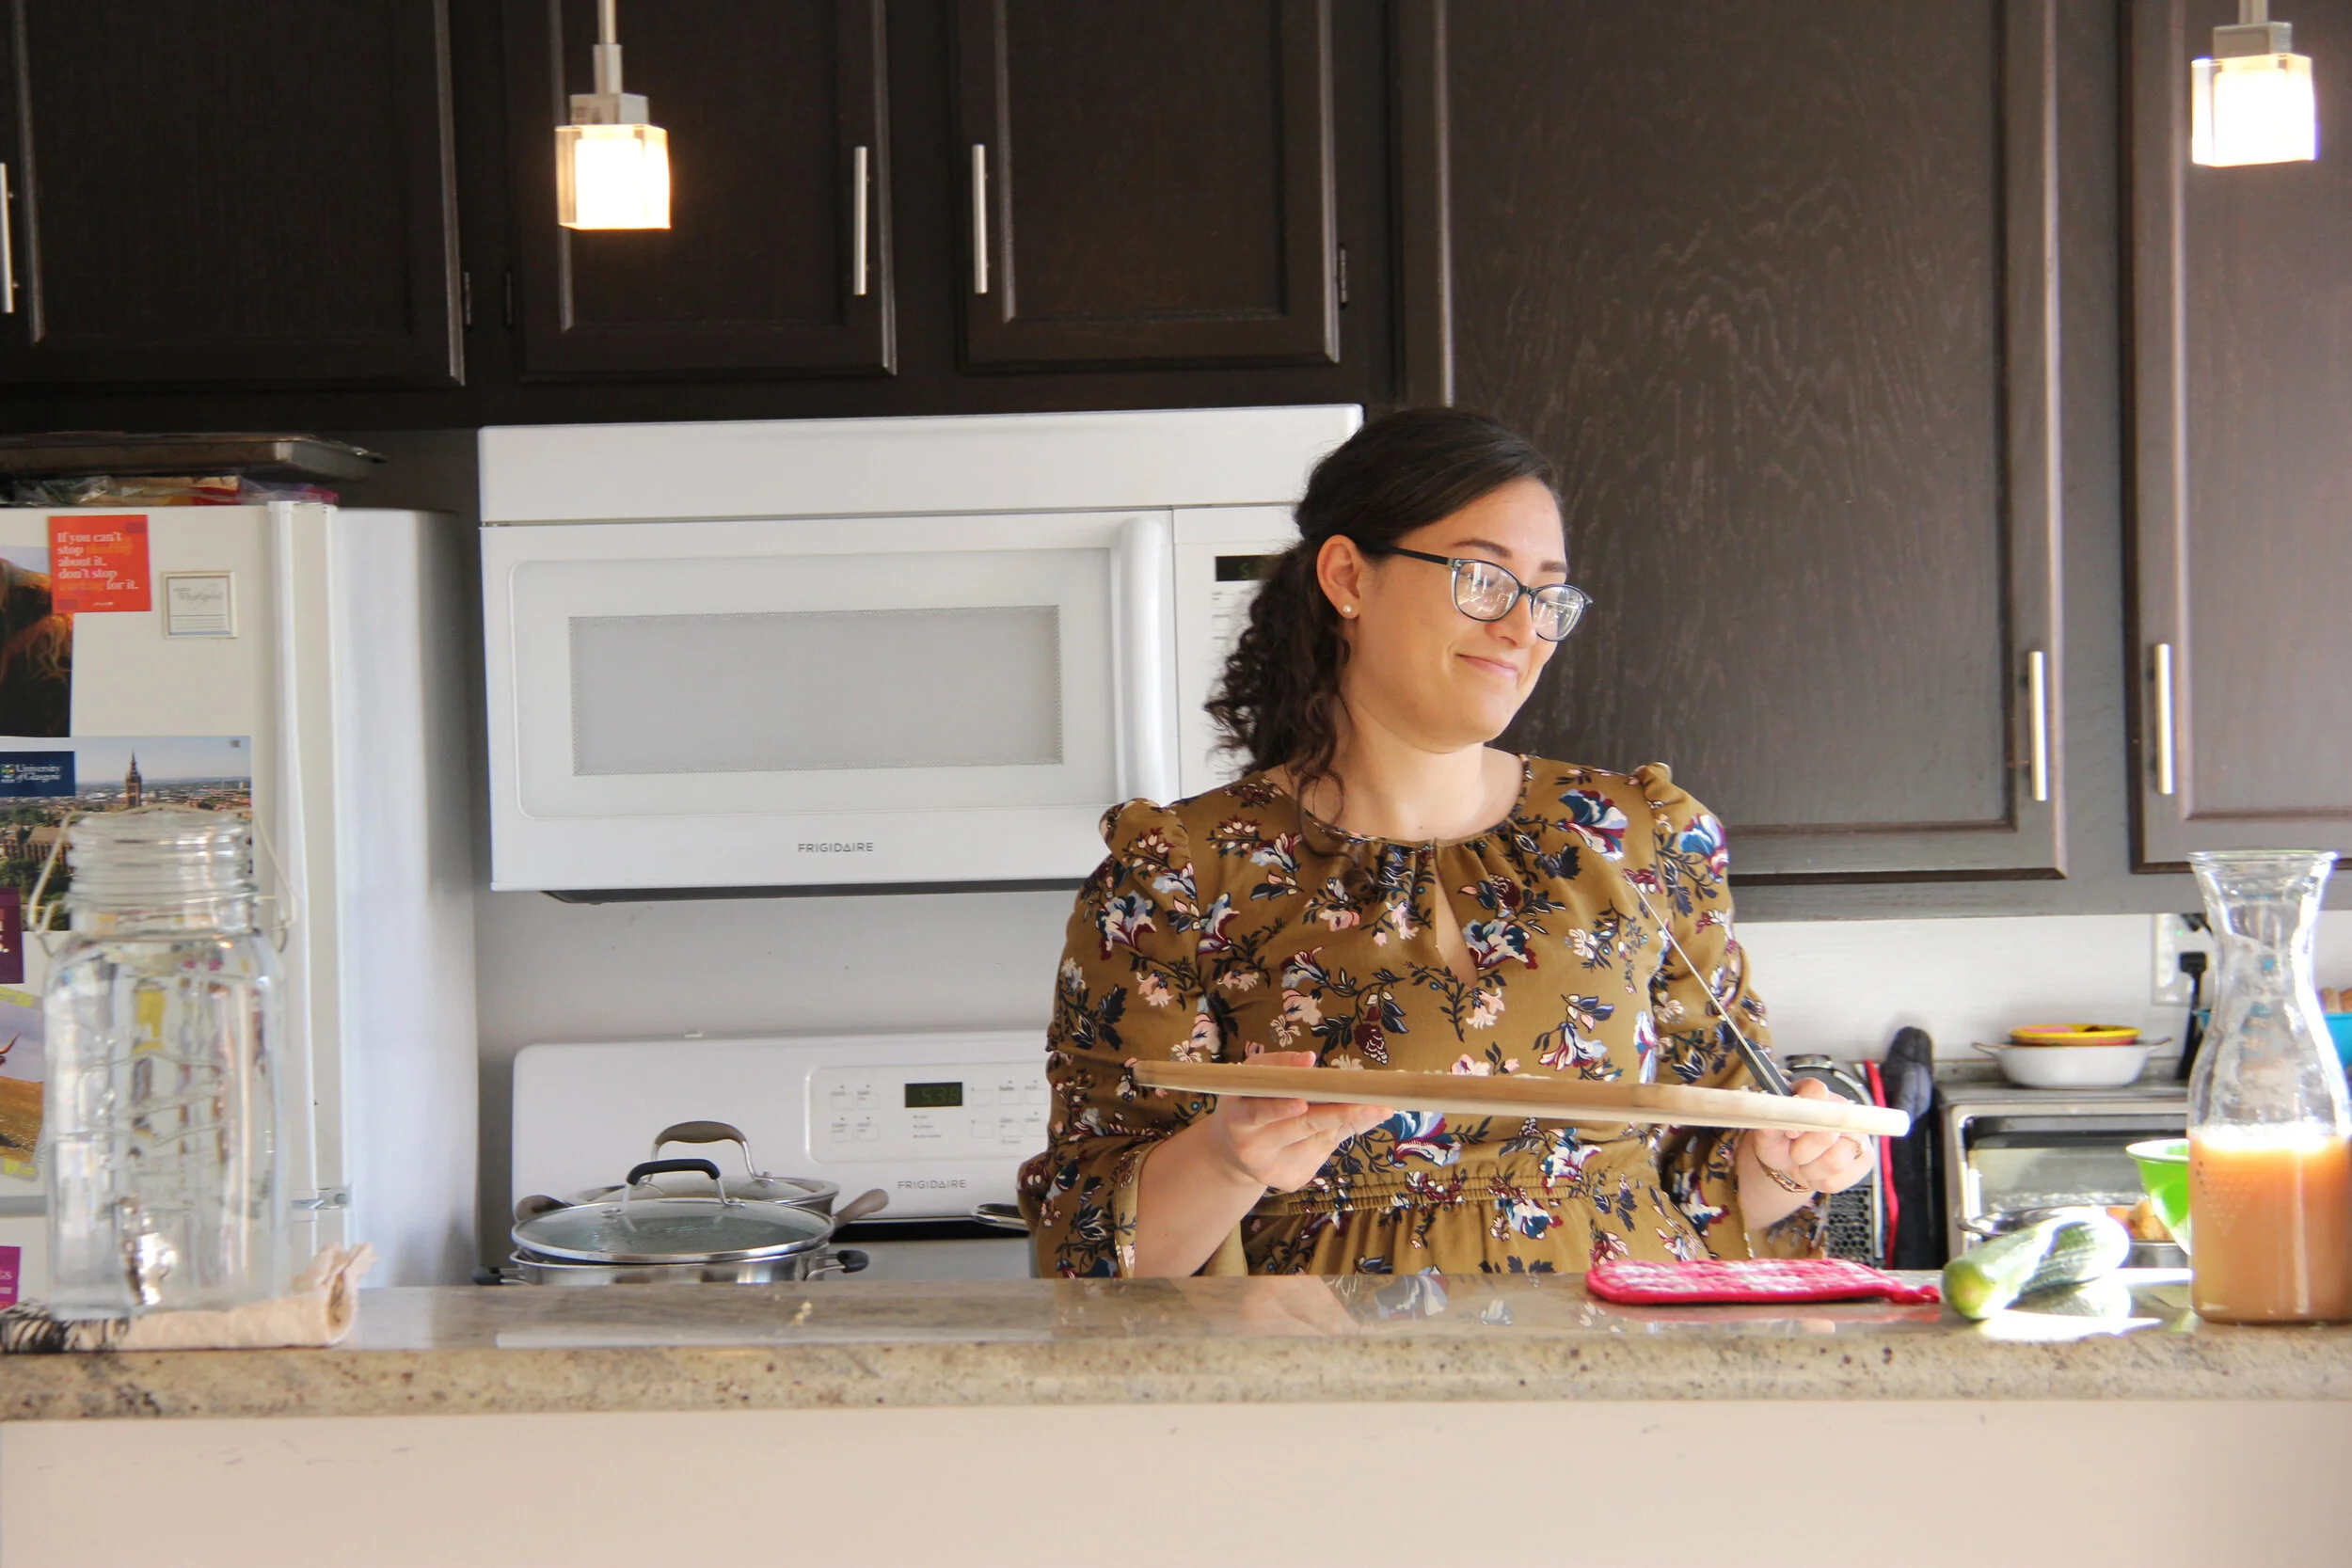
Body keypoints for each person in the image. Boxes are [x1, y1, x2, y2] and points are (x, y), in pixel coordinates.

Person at [1016, 408, 1873, 1278]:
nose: (1522, 628)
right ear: (1349, 577)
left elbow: (1707, 1187)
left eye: (1547, 596)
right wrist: (1228, 1158)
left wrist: (1786, 1162)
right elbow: (1087, 1253)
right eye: (1483, 579)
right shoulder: (1178, 875)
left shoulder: (1641, 837)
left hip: (1620, 1357)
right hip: (1325, 1364)